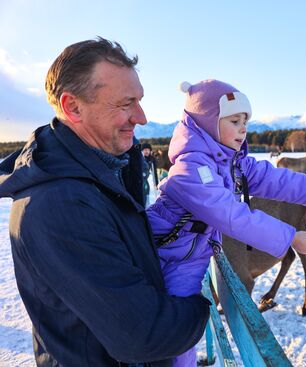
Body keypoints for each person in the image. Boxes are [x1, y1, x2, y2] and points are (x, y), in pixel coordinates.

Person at [0, 38, 210, 367]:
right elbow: (143, 335)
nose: (141, 117)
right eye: (126, 104)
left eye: (139, 101)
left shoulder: (105, 171)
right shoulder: (61, 204)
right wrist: (200, 305)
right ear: (73, 107)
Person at [146, 79, 306, 366]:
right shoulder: (192, 168)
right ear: (206, 122)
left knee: (182, 334)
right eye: (234, 120)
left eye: (246, 120)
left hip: (190, 255)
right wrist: (291, 237)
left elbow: (277, 179)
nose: (243, 128)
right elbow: (230, 215)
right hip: (169, 257)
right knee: (179, 336)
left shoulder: (228, 161)